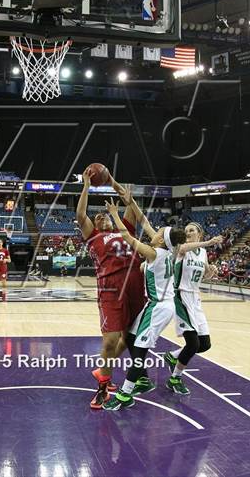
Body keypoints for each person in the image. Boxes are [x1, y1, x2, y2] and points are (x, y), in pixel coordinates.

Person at [103, 199, 186, 411]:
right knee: (130, 337)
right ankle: (139, 381)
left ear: (160, 240)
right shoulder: (166, 250)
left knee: (139, 351)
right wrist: (130, 202)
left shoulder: (154, 253)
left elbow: (127, 237)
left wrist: (114, 213)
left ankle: (125, 394)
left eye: (158, 232)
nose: (154, 232)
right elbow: (145, 222)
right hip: (156, 305)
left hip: (159, 308)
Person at [76, 170, 146, 409]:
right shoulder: (92, 236)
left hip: (136, 288)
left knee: (128, 339)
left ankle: (103, 370)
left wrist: (115, 184)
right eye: (98, 218)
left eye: (105, 216)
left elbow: (130, 205)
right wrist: (86, 185)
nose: (102, 219)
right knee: (109, 342)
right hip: (110, 290)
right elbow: (80, 214)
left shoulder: (124, 227)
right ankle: (103, 389)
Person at [164, 223, 223, 394]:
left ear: (199, 233)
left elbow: (205, 275)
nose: (188, 232)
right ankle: (175, 378)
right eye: (186, 230)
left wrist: (211, 271)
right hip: (180, 296)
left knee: (204, 344)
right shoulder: (182, 248)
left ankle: (173, 356)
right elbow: (183, 248)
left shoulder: (202, 253)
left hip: (195, 298)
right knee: (193, 343)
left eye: (192, 230)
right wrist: (207, 242)